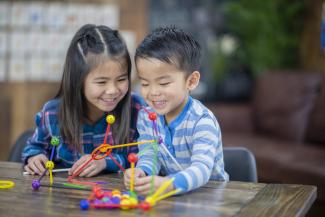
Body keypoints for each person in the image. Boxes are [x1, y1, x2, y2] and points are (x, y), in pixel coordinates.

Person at [22, 24, 144, 177]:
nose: (113, 90)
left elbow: (145, 157)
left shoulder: (137, 108)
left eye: (121, 79)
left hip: (117, 196)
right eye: (101, 82)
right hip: (64, 195)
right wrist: (35, 157)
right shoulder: (53, 113)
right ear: (78, 80)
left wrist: (105, 162)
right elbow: (35, 146)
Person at [124, 26, 229, 195]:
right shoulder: (146, 116)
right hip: (171, 197)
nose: (152, 92)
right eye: (144, 83)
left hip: (211, 197)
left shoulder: (202, 120)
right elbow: (151, 154)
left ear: (191, 81)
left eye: (163, 83)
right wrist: (142, 172)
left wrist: (169, 183)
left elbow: (202, 169)